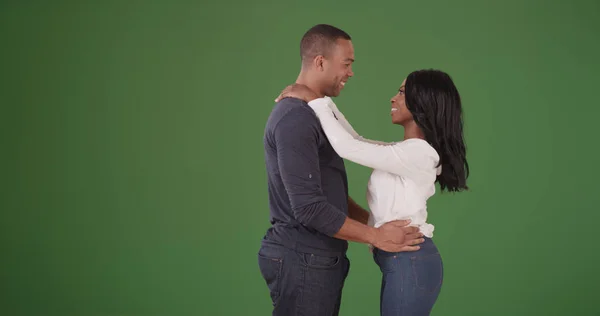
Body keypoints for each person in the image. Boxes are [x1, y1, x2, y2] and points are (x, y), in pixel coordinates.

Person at [258, 24, 425, 316]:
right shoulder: (296, 119)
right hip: (304, 257)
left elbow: (328, 194)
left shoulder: (315, 113)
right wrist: (376, 237)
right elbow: (309, 208)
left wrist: (374, 223)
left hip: (316, 258)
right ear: (320, 62)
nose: (350, 73)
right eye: (346, 64)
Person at [275, 69, 469, 315]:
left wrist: (313, 100)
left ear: (423, 101)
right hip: (403, 263)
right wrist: (325, 102)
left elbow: (347, 147)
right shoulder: (404, 151)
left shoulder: (420, 154)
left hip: (410, 263)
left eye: (401, 92)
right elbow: (356, 139)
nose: (393, 98)